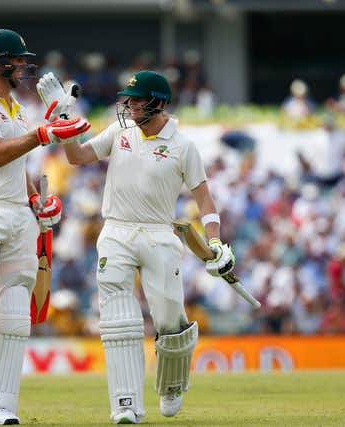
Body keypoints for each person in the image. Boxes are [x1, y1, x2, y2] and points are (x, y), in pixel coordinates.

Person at [37, 70, 235, 424]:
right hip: (116, 231)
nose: (128, 105)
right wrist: (61, 120)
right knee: (117, 319)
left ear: (158, 103)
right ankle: (125, 403)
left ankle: (172, 384)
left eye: (136, 99)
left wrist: (216, 240)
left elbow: (204, 198)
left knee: (170, 319)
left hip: (159, 234)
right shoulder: (120, 131)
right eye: (128, 99)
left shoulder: (183, 146)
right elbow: (78, 157)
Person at [0, 29, 90, 425]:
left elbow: (16, 165)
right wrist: (42, 134)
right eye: (18, 59)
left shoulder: (18, 110)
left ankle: (3, 405)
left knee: (14, 316)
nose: (25, 66)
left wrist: (36, 201)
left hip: (17, 216)